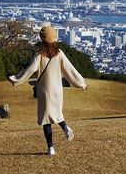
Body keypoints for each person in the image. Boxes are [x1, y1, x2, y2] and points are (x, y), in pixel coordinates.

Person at [8, 25, 88, 156]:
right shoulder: (59, 53)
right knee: (56, 112)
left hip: (45, 89)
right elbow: (70, 69)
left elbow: (31, 69)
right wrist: (81, 83)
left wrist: (16, 79)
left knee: (46, 118)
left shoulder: (40, 53)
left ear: (42, 38)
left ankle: (51, 147)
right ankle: (65, 127)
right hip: (57, 89)